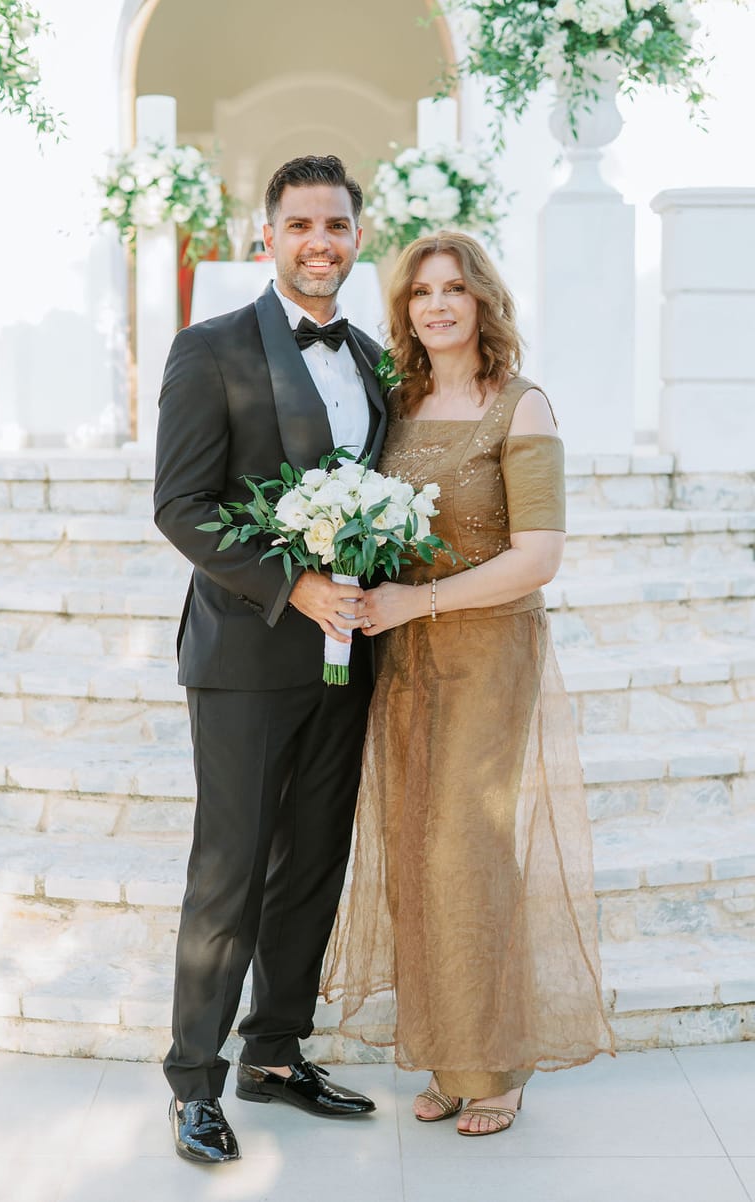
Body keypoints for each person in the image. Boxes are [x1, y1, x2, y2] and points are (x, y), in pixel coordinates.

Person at [322, 231, 614, 1137]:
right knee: (413, 847)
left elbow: (540, 559)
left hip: (487, 650)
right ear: (404, 311)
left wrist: (423, 602)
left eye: (455, 288)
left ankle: (499, 1068)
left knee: (466, 849)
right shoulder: (396, 404)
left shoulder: (522, 408)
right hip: (403, 656)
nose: (437, 305)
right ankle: (452, 1059)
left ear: (485, 300)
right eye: (420, 293)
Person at [154, 154, 386, 1165]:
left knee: (312, 864)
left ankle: (276, 1054)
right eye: (300, 225)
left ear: (357, 236)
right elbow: (180, 505)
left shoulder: (376, 359)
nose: (318, 242)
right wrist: (288, 582)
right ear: (269, 236)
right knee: (230, 869)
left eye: (334, 224)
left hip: (345, 660)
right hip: (245, 656)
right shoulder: (209, 351)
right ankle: (194, 1082)